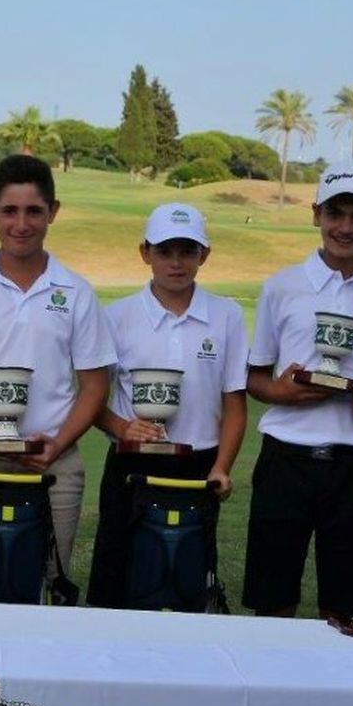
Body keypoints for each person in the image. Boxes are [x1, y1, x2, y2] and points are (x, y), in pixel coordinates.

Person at [0, 154, 115, 578]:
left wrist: (59, 444)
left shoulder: (77, 292)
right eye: (9, 211)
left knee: (47, 588)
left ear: (53, 213)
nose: (21, 224)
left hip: (53, 462)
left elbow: (94, 387)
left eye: (34, 211)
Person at [241, 158, 353, 619]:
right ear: (316, 214)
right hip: (285, 457)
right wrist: (280, 393)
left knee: (349, 608)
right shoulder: (282, 287)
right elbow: (254, 377)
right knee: (273, 602)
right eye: (335, 213)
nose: (345, 226)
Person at [88, 202, 247, 609]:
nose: (176, 262)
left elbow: (233, 402)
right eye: (165, 251)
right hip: (131, 463)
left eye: (188, 251)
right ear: (145, 253)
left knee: (187, 584)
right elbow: (91, 399)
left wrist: (222, 467)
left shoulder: (227, 314)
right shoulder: (116, 315)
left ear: (204, 255)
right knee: (117, 585)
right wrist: (122, 427)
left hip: (198, 465)